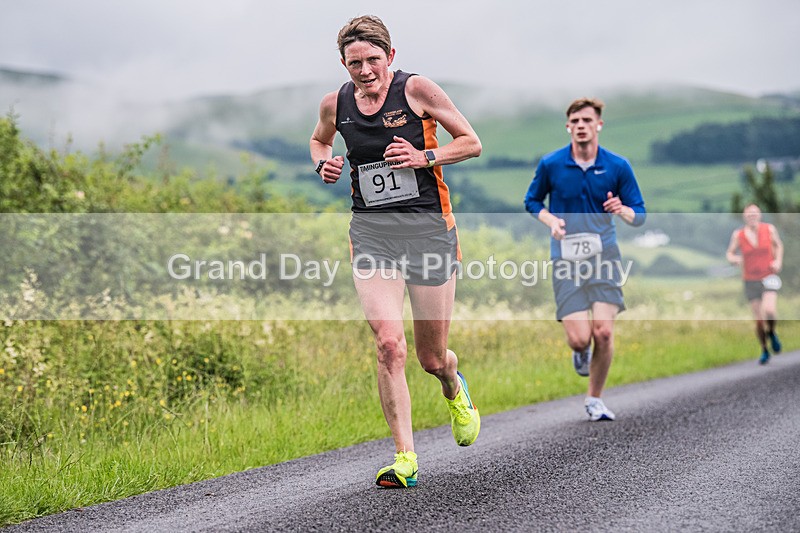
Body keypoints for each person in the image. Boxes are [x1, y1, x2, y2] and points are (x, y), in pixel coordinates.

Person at [309, 15, 482, 488]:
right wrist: (324, 164)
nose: (364, 71)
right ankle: (405, 457)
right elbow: (320, 139)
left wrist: (424, 156)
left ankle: (453, 384)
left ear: (390, 55)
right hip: (371, 235)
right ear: (343, 64)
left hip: (428, 231)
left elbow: (471, 143)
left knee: (431, 357)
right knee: (388, 345)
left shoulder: (417, 90)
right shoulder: (335, 102)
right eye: (354, 63)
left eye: (372, 60)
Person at [524, 97, 646, 421]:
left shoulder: (618, 166)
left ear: (598, 125)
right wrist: (551, 221)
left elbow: (640, 214)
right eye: (575, 121)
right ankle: (581, 351)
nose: (581, 126)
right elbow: (532, 201)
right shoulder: (551, 164)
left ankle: (594, 399)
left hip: (605, 256)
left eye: (587, 121)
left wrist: (623, 210)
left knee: (604, 332)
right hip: (566, 260)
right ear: (568, 127)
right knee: (580, 338)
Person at [725, 204, 784, 364]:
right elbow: (729, 253)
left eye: (755, 213)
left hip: (768, 275)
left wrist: (778, 261)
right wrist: (734, 259)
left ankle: (771, 332)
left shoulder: (769, 229)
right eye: (749, 214)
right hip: (750, 279)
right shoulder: (739, 235)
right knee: (758, 319)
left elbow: (778, 245)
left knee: (769, 310)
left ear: (760, 215)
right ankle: (764, 349)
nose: (752, 216)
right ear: (744, 216)